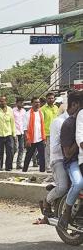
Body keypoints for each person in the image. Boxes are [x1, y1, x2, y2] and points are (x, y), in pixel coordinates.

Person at [36, 96, 80, 224]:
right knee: (62, 187)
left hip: (72, 158)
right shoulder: (60, 122)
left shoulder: (77, 120)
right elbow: (58, 146)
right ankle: (47, 201)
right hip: (59, 159)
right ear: (74, 105)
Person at [58, 91, 83, 230]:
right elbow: (67, 154)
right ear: (75, 105)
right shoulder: (68, 124)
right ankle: (66, 214)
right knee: (79, 183)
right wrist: (77, 141)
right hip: (72, 162)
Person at [22, 97, 46, 173]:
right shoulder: (27, 114)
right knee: (28, 156)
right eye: (35, 102)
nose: (37, 104)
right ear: (32, 103)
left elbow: (42, 126)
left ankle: (42, 171)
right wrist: (27, 139)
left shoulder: (41, 113)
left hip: (40, 138)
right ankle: (24, 170)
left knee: (42, 156)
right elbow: (25, 128)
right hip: (31, 139)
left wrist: (44, 138)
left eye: (38, 102)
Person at [41, 92, 59, 173]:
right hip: (47, 133)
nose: (51, 99)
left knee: (55, 150)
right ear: (46, 99)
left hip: (56, 133)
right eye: (49, 98)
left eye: (52, 98)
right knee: (47, 151)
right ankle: (47, 166)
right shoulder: (43, 109)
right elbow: (41, 123)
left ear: (54, 99)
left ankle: (54, 166)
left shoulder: (56, 108)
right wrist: (43, 135)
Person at [13, 97, 26, 169]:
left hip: (22, 132)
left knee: (21, 148)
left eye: (22, 102)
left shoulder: (24, 111)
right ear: (17, 103)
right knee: (14, 149)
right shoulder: (13, 111)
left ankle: (19, 164)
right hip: (15, 132)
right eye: (20, 102)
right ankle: (9, 162)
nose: (22, 104)